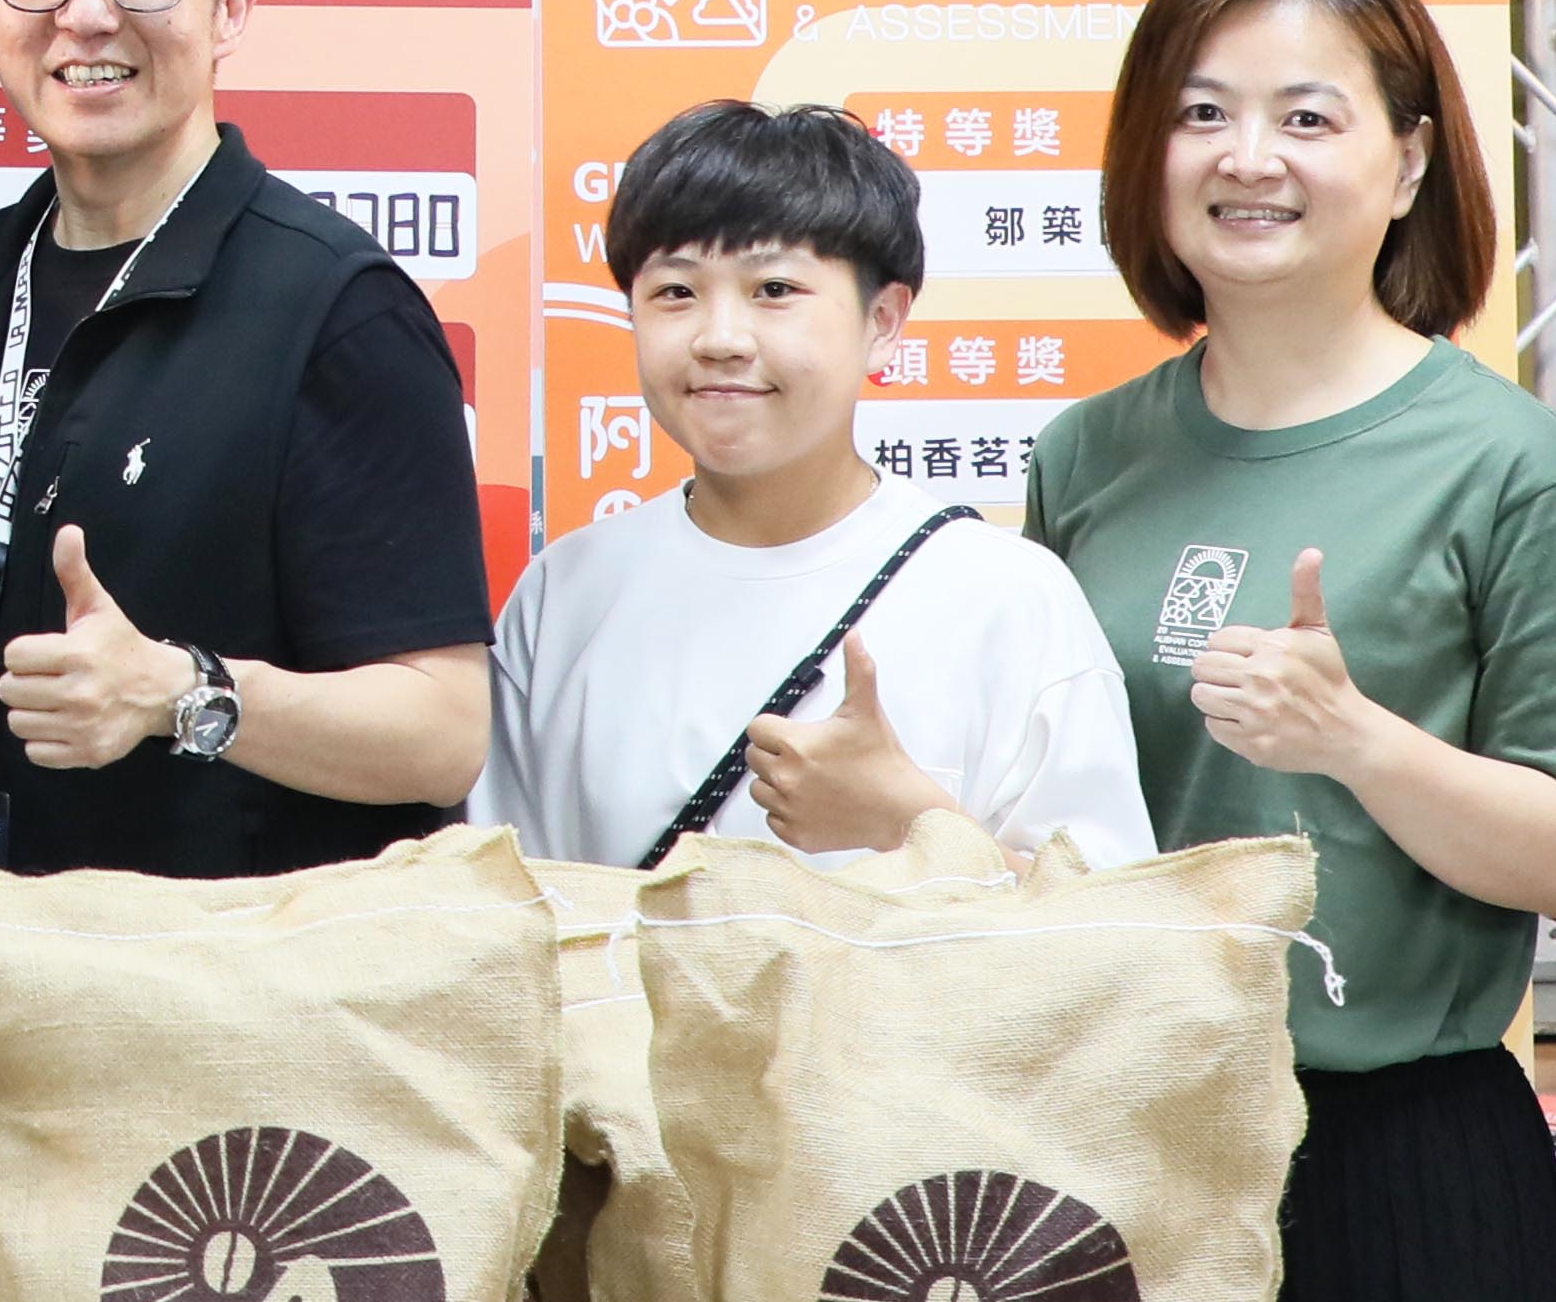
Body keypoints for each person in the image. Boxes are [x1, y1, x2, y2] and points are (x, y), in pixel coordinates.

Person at [1026, 0, 1556, 1302]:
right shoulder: (1085, 456)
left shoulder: (1511, 466)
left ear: (1411, 158)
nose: (1249, 157)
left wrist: (1355, 742)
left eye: (1308, 116)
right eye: (1202, 111)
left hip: (1401, 1164)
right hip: (1128, 1135)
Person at [0, 0, 491, 873]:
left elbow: (442, 730)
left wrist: (181, 691)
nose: (86, 13)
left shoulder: (334, 307)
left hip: (229, 965)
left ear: (231, 5)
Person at [484, 97, 1152, 873]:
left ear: (884, 321)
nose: (720, 339)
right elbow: (502, 901)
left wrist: (911, 825)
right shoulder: (565, 595)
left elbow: (1109, 918)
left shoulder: (1007, 598)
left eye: (774, 290)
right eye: (676, 292)